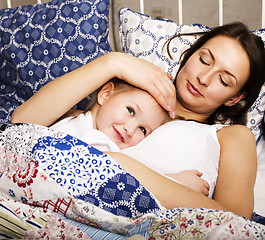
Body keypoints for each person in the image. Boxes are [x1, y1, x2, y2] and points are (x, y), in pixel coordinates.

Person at [11, 22, 265, 219]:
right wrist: (114, 63)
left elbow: (233, 222)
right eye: (204, 59)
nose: (204, 78)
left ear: (235, 99)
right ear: (189, 55)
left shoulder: (231, 136)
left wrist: (117, 165)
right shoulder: (125, 104)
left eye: (224, 80)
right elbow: (24, 122)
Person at [49, 77, 169, 151]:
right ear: (105, 94)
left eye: (142, 130)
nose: (130, 130)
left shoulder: (105, 147)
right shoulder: (66, 117)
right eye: (130, 111)